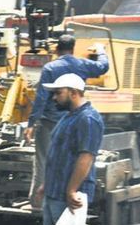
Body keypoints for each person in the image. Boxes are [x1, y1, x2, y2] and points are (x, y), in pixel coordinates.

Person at [30, 73, 104, 225]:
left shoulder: (88, 119)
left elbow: (86, 158)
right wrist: (45, 184)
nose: (53, 98)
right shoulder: (68, 117)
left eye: (58, 92)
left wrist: (71, 190)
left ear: (73, 92)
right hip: (55, 188)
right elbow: (57, 155)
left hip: (71, 192)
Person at [24, 35, 109, 204]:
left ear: (56, 49)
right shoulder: (82, 65)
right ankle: (67, 197)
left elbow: (41, 97)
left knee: (44, 161)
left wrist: (32, 124)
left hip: (50, 122)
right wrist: (100, 50)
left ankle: (37, 203)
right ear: (73, 48)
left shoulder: (50, 68)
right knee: (73, 159)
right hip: (72, 119)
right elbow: (103, 67)